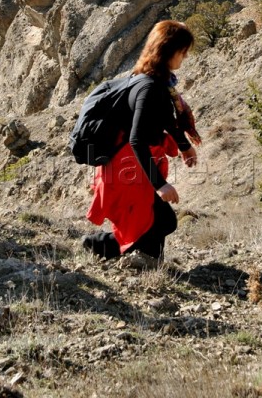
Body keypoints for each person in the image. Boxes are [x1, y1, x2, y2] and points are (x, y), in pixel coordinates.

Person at [84, 20, 201, 263]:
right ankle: (98, 245)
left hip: (132, 166)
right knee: (159, 220)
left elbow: (165, 118)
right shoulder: (150, 87)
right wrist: (160, 185)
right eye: (183, 51)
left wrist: (184, 145)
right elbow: (137, 139)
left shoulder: (153, 82)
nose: (185, 57)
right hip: (126, 169)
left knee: (156, 220)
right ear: (169, 50)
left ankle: (148, 262)